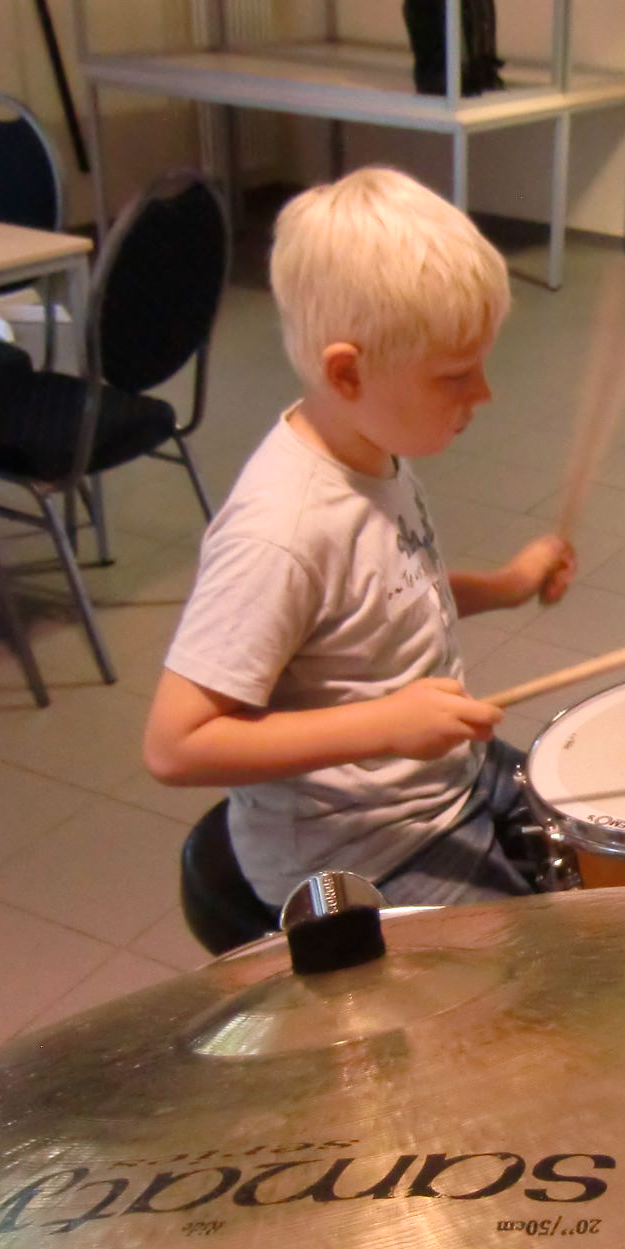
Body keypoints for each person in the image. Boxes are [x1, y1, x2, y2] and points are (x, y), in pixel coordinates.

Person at [143, 167, 574, 907]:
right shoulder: (280, 532)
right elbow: (174, 745)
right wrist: (385, 726)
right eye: (455, 375)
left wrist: (506, 585)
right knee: (543, 971)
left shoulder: (372, 448)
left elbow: (383, 597)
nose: (484, 393)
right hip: (358, 850)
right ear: (347, 374)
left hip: (443, 783)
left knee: (598, 831)